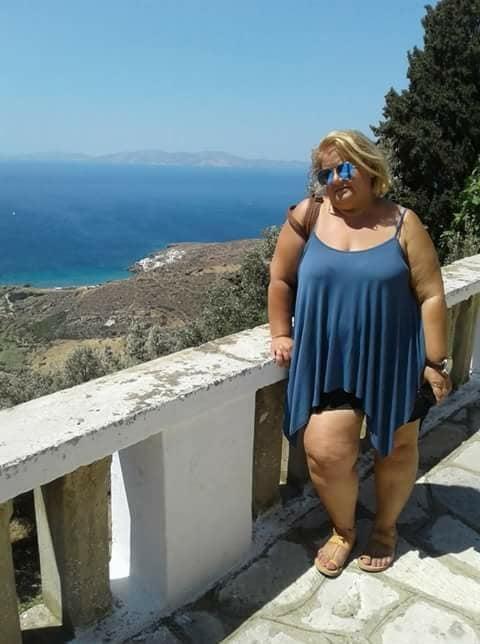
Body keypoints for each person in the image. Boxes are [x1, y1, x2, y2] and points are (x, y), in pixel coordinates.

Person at [268, 130, 452, 577]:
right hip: (328, 360)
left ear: (370, 169)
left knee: (398, 448)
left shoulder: (404, 223)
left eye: (345, 168)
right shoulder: (307, 215)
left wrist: (434, 361)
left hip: (394, 359)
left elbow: (431, 294)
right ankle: (344, 530)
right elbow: (280, 279)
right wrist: (280, 332)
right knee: (324, 451)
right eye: (325, 173)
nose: (336, 179)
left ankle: (385, 528)